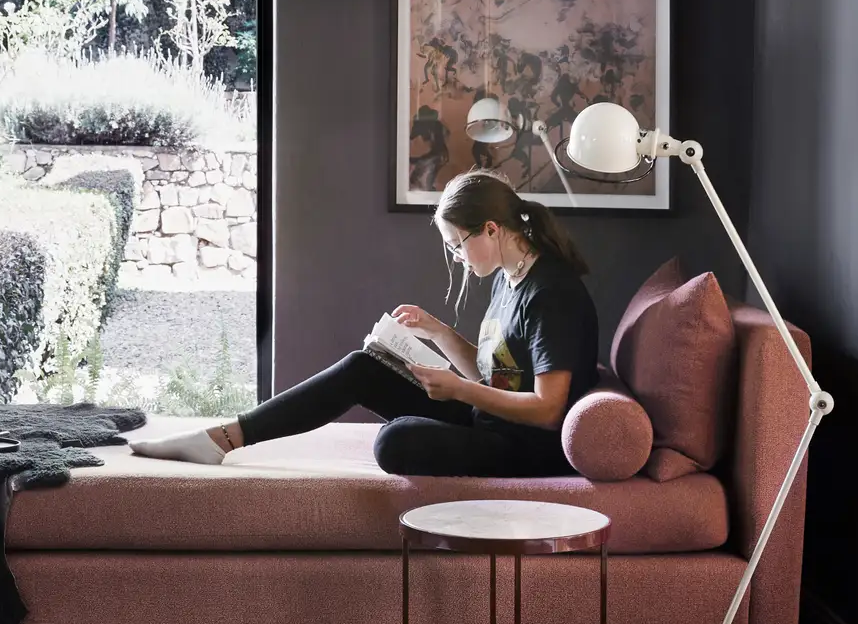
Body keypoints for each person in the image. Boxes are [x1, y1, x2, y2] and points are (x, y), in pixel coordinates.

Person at [131, 169, 597, 477]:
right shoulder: (510, 277)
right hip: (493, 421)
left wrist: (457, 392)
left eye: (457, 244)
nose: (456, 257)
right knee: (363, 367)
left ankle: (221, 439)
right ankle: (222, 438)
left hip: (529, 449)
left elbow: (548, 409)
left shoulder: (551, 293)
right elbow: (491, 375)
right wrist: (436, 331)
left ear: (492, 229)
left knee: (395, 441)